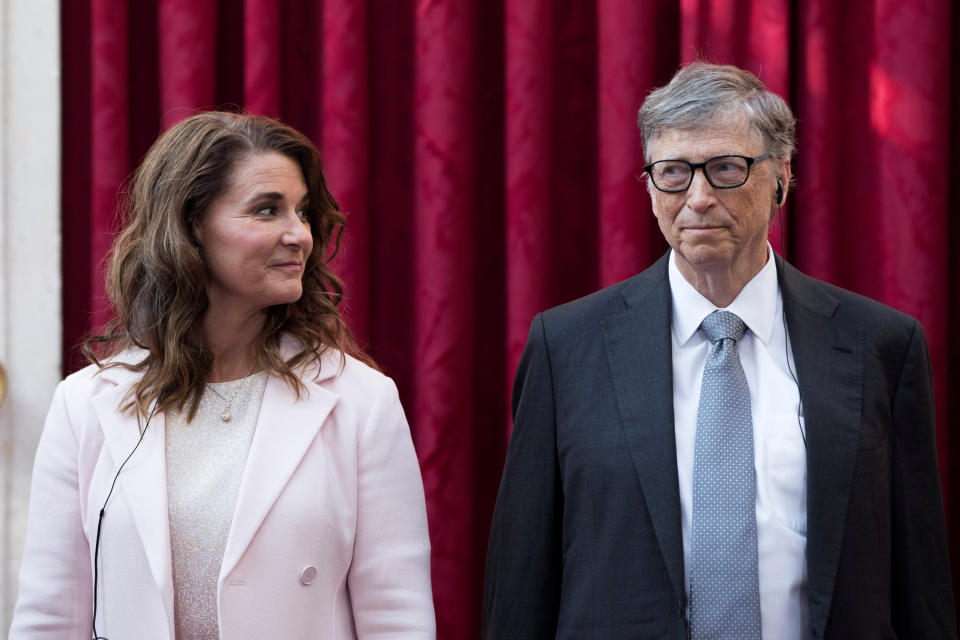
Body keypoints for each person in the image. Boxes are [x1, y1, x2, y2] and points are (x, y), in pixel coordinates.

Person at [483, 62, 956, 639]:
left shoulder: (880, 346)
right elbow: (521, 584)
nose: (699, 198)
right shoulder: (567, 348)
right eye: (674, 172)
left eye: (727, 169)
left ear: (781, 175)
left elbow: (920, 584)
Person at [10, 112, 435, 639]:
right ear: (191, 225)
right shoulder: (86, 403)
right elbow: (49, 618)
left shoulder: (361, 401)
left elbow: (399, 618)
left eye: (302, 211)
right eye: (267, 210)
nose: (299, 234)